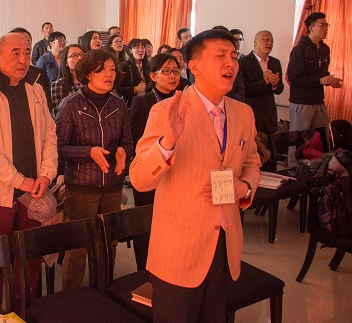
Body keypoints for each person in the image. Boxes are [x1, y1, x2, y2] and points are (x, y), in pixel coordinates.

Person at [129, 29, 261, 322]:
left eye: (234, 56)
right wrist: (167, 143)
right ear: (195, 66)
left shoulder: (242, 113)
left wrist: (244, 187)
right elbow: (139, 178)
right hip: (179, 249)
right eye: (220, 56)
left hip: (225, 245)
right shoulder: (167, 111)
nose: (231, 63)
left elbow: (252, 162)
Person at [0, 33, 58, 314]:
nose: (22, 59)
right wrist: (21, 181)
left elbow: (49, 136)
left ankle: (22, 312)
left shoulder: (35, 91)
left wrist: (46, 174)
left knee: (28, 258)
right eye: (15, 53)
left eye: (27, 53)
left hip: (33, 192)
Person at [56, 49, 133, 290]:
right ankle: (73, 300)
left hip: (112, 184)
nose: (109, 74)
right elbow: (59, 148)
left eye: (112, 69)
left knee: (109, 243)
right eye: (103, 69)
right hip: (81, 187)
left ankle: (103, 292)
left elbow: (128, 142)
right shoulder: (70, 105)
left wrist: (124, 152)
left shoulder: (119, 105)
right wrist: (88, 152)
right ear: (88, 73)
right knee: (78, 247)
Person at [129, 53, 181, 270]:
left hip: (175, 171)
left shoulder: (184, 101)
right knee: (147, 223)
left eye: (176, 71)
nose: (172, 76)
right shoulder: (142, 101)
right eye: (166, 71)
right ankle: (144, 270)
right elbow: (136, 136)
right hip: (150, 167)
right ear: (153, 75)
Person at [287, 12, 342, 131]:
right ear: (311, 28)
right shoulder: (299, 50)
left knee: (320, 138)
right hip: (302, 102)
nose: (326, 28)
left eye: (327, 25)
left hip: (318, 101)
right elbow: (294, 77)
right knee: (299, 140)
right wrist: (321, 81)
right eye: (322, 25)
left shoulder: (325, 49)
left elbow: (322, 73)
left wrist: (329, 80)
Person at [239, 30, 283, 135]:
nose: (269, 43)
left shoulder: (275, 62)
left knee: (269, 150)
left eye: (272, 41)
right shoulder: (243, 63)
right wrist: (264, 82)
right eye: (266, 40)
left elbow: (280, 89)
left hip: (270, 116)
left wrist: (275, 85)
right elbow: (243, 89)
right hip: (252, 114)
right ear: (255, 42)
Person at [9, 27, 54, 112]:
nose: (23, 46)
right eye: (18, 42)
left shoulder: (39, 74)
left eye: (27, 42)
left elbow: (47, 106)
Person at [51, 44, 84, 116]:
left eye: (82, 54)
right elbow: (59, 114)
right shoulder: (59, 85)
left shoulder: (91, 81)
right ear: (66, 63)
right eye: (74, 55)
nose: (80, 58)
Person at [117, 38, 149, 108]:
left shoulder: (148, 66)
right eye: (137, 47)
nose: (141, 50)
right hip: (130, 105)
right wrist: (135, 89)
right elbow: (119, 89)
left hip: (146, 103)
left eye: (143, 47)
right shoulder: (124, 66)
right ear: (130, 50)